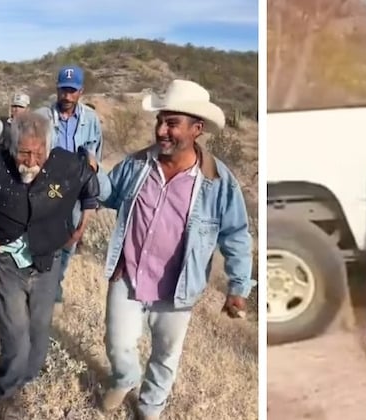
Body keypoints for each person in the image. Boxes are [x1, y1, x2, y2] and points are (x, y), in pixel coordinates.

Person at [98, 79, 254, 420]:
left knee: (166, 355)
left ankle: (150, 408)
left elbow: (237, 235)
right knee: (118, 344)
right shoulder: (138, 164)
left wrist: (238, 287)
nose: (161, 131)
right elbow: (108, 194)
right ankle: (126, 377)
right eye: (160, 121)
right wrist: (89, 173)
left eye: (172, 123)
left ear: (196, 129)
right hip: (129, 277)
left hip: (177, 287)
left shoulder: (217, 181)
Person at [0, 111, 101, 417]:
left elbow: (88, 180)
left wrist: (86, 218)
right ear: (11, 147)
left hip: (47, 260)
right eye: (24, 153)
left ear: (48, 148)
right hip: (7, 263)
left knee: (40, 332)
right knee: (16, 337)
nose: (31, 161)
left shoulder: (64, 164)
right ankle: (1, 392)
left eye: (38, 153)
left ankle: (24, 381)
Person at [35, 65, 104, 303]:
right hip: (48, 186)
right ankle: (42, 280)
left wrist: (92, 162)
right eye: (63, 90)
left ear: (81, 91)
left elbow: (96, 149)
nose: (67, 96)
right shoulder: (42, 116)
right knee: (43, 233)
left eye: (72, 91)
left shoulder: (90, 119)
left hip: (75, 187)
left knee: (71, 237)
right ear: (57, 89)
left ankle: (56, 281)